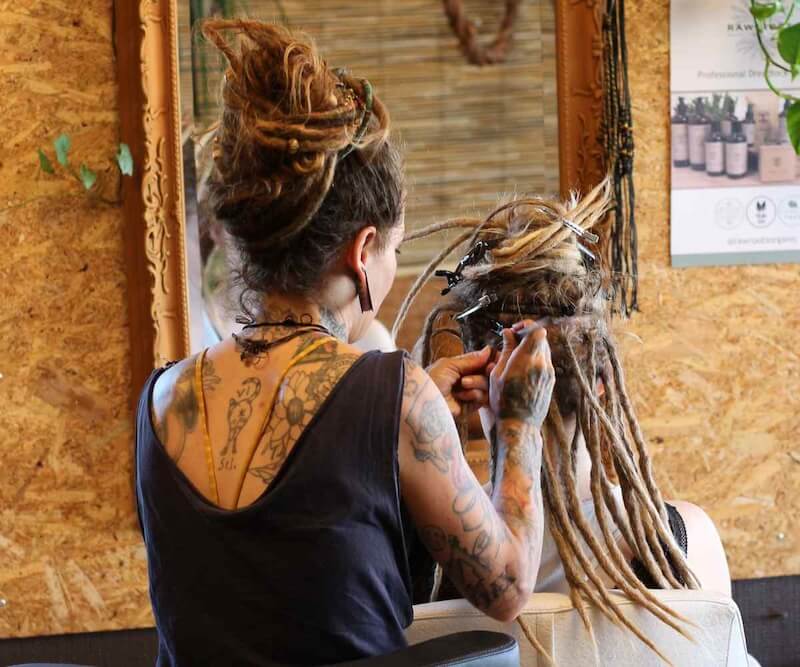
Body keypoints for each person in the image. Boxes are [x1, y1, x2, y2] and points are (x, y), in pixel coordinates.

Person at [135, 20, 555, 666]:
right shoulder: (396, 397)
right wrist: (519, 425)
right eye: (394, 248)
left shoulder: (162, 398)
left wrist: (404, 413)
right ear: (362, 253)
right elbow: (508, 587)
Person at [397, 179, 732, 660]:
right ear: (602, 382)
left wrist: (416, 425)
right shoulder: (686, 542)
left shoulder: (425, 556)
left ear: (480, 379)